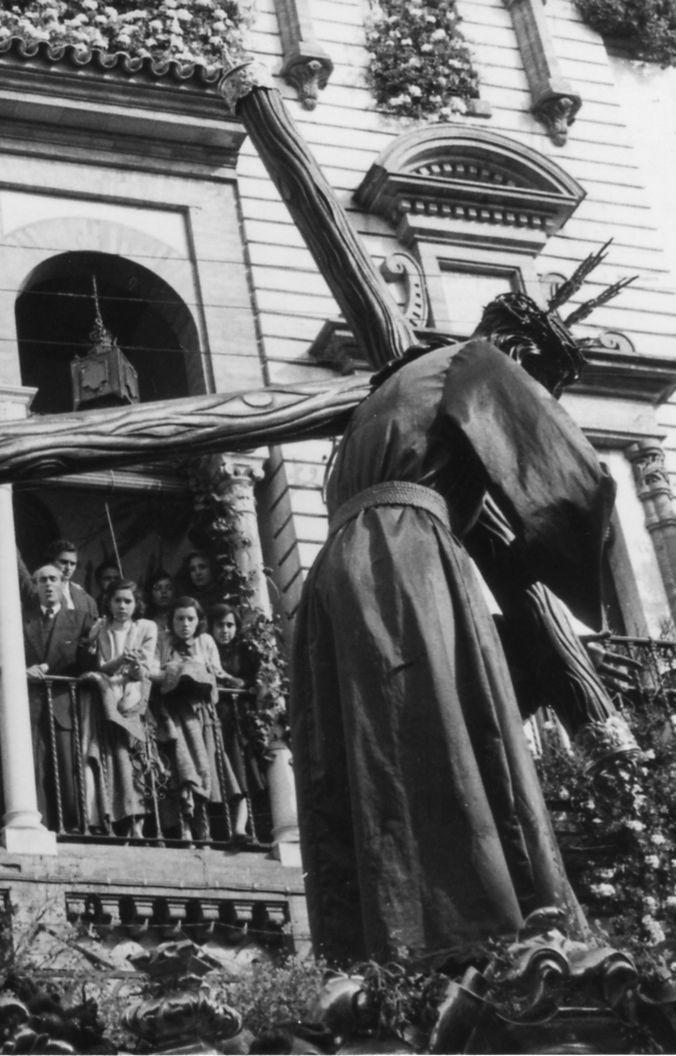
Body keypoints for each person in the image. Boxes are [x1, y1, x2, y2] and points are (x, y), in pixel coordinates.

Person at [291, 286, 621, 964]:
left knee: (373, 755)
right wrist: (589, 580)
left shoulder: (393, 387)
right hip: (405, 556)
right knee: (438, 735)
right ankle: (473, 942)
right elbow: (569, 478)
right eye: (542, 380)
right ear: (521, 350)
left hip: (334, 573)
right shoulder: (479, 362)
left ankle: (382, 964)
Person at [152, 596, 237, 842]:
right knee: (179, 768)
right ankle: (184, 829)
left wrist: (227, 678)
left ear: (199, 621)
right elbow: (154, 671)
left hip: (200, 714)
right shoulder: (163, 640)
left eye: (190, 618)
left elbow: (215, 672)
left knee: (203, 766)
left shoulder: (205, 641)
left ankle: (204, 828)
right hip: (172, 713)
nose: (185, 624)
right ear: (172, 620)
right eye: (180, 618)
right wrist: (178, 670)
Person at [23, 563, 94, 831]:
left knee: (66, 765)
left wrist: (94, 645)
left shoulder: (81, 620)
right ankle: (39, 822)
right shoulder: (21, 619)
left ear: (63, 583)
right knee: (33, 765)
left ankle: (71, 825)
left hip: (63, 703)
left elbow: (87, 662)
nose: (48, 584)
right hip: (30, 702)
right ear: (35, 585)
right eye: (42, 580)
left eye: (53, 579)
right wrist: (23, 670)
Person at [80, 580, 155, 836]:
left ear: (136, 604)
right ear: (109, 602)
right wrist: (122, 659)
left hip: (134, 700)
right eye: (117, 600)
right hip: (108, 699)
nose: (122, 606)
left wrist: (135, 667)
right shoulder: (102, 629)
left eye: (128, 601)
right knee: (114, 761)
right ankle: (114, 820)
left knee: (138, 761)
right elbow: (101, 665)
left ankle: (139, 825)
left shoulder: (145, 627)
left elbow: (145, 669)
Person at [206, 602, 261, 842]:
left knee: (240, 769)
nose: (225, 631)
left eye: (230, 625)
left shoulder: (243, 652)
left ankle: (240, 827)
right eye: (220, 625)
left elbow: (249, 683)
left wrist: (228, 679)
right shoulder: (206, 649)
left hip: (236, 719)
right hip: (213, 717)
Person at [45, 540, 100, 620]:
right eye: (64, 562)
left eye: (72, 564)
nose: (68, 568)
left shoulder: (86, 599)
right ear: (51, 562)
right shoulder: (39, 591)